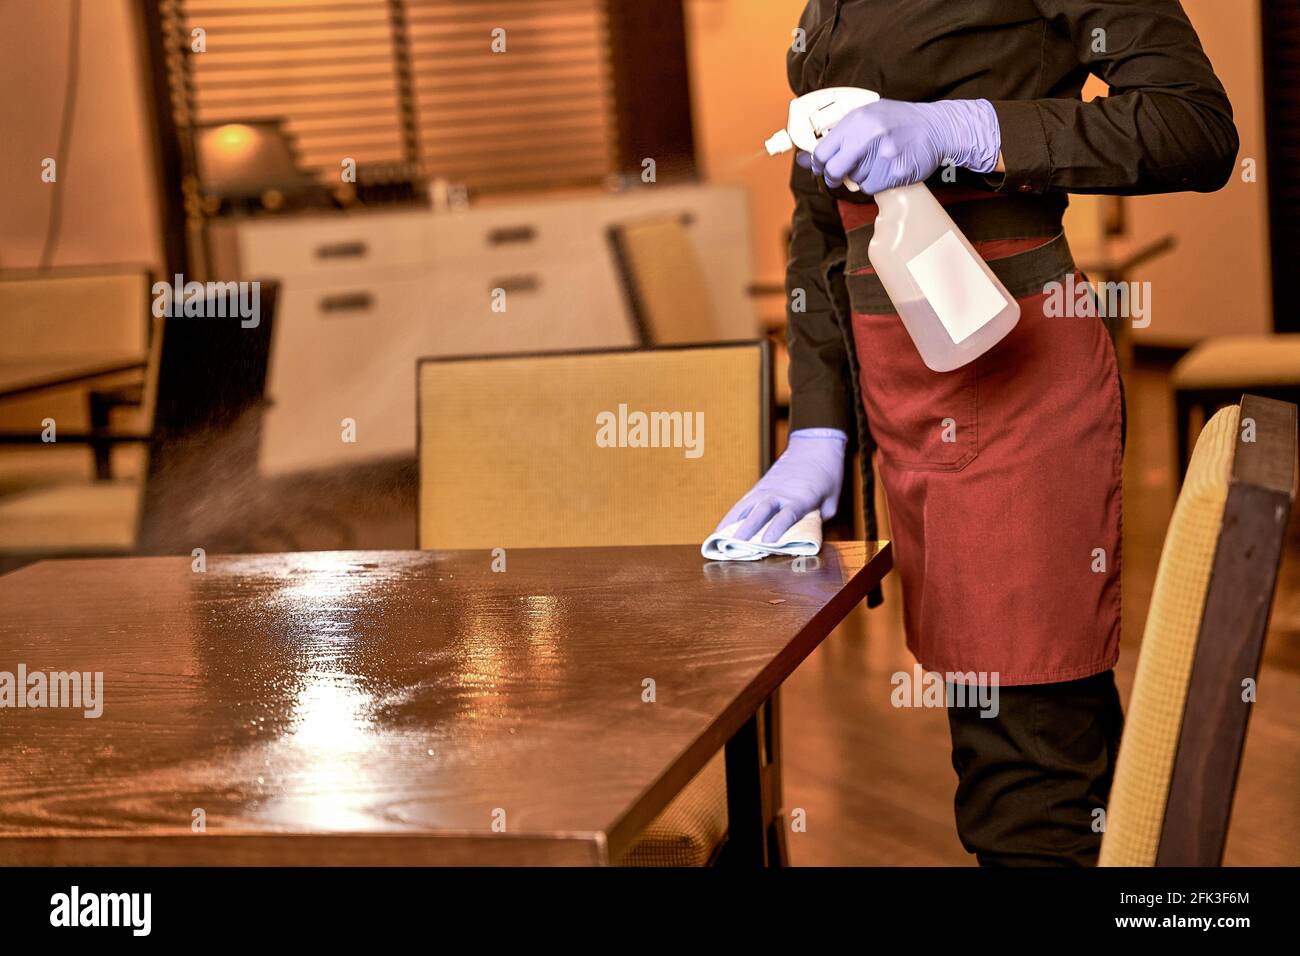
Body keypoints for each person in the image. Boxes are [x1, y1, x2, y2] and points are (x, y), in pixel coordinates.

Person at [716, 0, 1238, 865]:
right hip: (907, 400)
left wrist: (965, 130)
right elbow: (817, 225)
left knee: (1023, 793)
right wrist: (819, 430)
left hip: (1014, 395)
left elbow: (1195, 126)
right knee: (1041, 744)